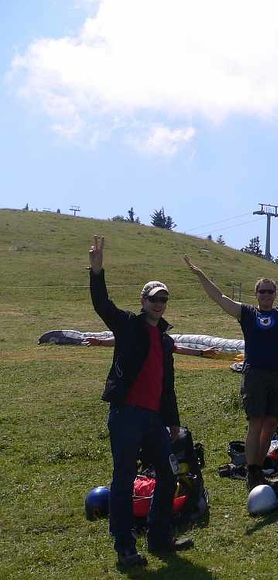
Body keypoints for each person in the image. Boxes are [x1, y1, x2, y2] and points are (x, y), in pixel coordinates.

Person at [184, 254, 278, 490]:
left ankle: (257, 470)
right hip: (255, 374)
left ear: (275, 294)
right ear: (256, 294)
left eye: (270, 291)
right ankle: (251, 472)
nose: (266, 295)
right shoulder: (246, 313)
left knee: (271, 424)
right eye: (262, 291)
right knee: (255, 423)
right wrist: (200, 275)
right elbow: (219, 297)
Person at [88, 236, 193, 568]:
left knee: (168, 475)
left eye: (164, 299)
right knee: (123, 479)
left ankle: (160, 538)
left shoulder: (165, 340)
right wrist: (96, 270)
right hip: (126, 415)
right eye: (154, 298)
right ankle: (124, 547)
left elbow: (168, 384)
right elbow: (102, 304)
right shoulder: (128, 326)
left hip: (154, 419)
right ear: (143, 301)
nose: (159, 303)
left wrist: (173, 420)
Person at [84, 336, 219, 358]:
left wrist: (202, 352)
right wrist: (100, 342)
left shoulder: (162, 338)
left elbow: (178, 349)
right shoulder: (138, 329)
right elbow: (120, 340)